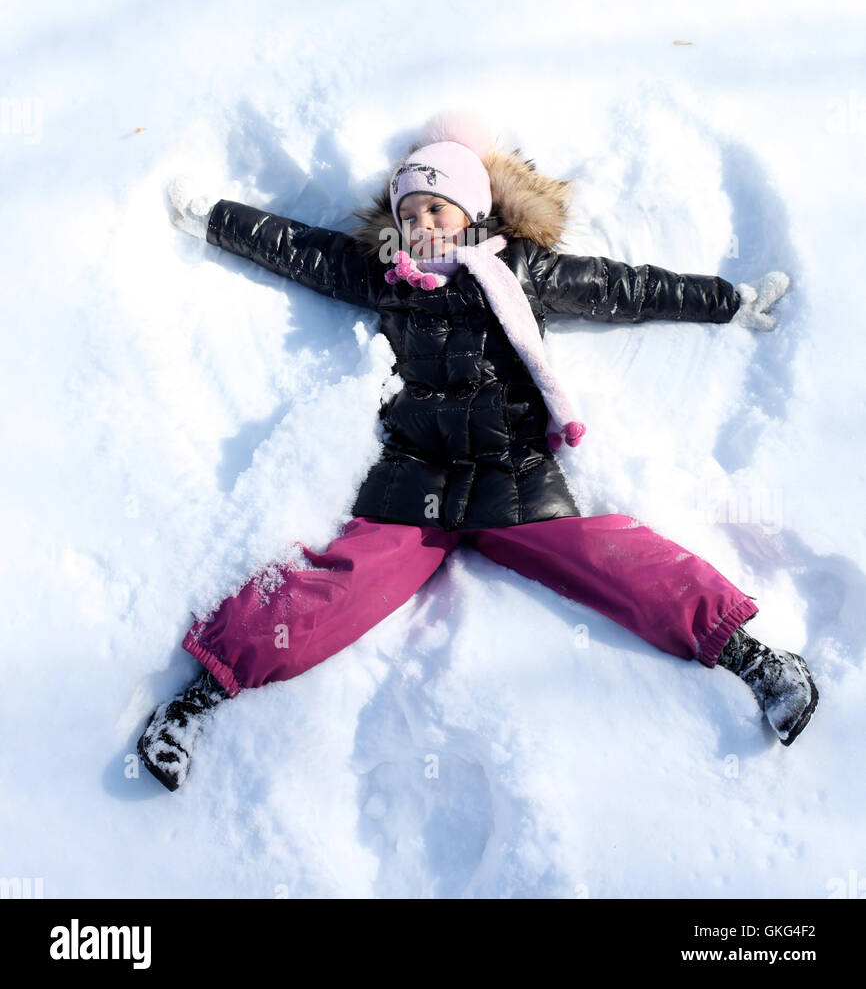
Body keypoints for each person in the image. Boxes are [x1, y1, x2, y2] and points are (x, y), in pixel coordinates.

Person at [137, 110, 818, 792]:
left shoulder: (519, 271)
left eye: (438, 206)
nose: (424, 223)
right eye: (412, 212)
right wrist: (213, 217)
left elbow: (623, 288)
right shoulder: (386, 275)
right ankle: (198, 699)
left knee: (616, 557)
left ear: (471, 210)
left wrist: (729, 301)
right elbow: (299, 248)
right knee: (338, 587)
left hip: (513, 476)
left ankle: (753, 657)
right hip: (413, 483)